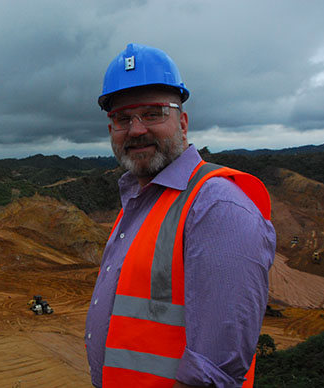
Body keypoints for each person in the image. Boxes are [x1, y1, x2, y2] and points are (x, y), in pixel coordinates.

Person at [85, 43, 276, 388]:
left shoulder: (216, 208)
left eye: (154, 113)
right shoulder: (141, 201)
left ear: (183, 121)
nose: (136, 129)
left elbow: (213, 373)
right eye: (122, 118)